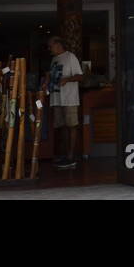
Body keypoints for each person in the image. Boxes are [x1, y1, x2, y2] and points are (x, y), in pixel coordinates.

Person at [47, 35, 84, 170]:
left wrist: (67, 80)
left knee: (71, 125)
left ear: (58, 45)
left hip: (69, 98)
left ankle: (71, 155)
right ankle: (64, 154)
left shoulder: (70, 57)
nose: (49, 49)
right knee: (61, 126)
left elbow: (80, 76)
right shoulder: (54, 59)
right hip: (57, 98)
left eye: (50, 46)